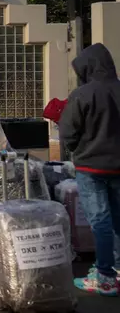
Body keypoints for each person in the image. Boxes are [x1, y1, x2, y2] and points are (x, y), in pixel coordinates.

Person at [60, 43, 120, 295]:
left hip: (91, 168)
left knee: (100, 222)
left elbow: (68, 132)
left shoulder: (83, 94)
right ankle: (115, 268)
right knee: (117, 220)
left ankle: (105, 276)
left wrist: (78, 149)